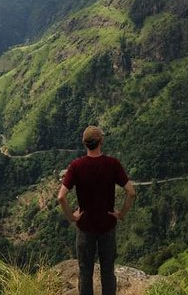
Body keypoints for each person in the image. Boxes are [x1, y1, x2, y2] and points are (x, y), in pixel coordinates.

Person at [57, 125, 136, 295]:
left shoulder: (76, 166)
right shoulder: (112, 164)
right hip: (107, 225)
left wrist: (72, 217)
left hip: (85, 226)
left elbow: (61, 197)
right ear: (101, 141)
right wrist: (121, 214)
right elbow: (131, 192)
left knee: (85, 273)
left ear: (84, 143)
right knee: (108, 272)